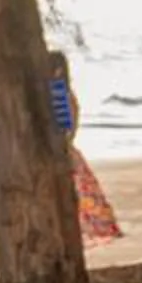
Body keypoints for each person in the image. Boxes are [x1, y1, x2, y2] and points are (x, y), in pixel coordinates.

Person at [46, 51, 121, 246]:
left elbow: (67, 121)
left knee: (71, 192)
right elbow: (71, 121)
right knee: (79, 192)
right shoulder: (63, 92)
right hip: (65, 147)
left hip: (59, 149)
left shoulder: (56, 92)